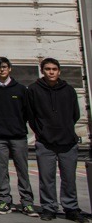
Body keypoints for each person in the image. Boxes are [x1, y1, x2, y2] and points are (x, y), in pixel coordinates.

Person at [27, 58, 88, 223]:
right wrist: (41, 132)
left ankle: (71, 208)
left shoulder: (68, 90)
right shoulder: (33, 90)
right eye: (47, 69)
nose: (51, 72)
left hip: (68, 142)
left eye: (54, 69)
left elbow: (75, 114)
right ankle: (49, 208)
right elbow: (31, 116)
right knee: (47, 178)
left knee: (69, 178)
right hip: (45, 142)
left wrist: (66, 129)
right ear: (43, 71)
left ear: (59, 71)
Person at [0, 57, 37, 217]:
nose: (2, 70)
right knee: (1, 170)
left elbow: (27, 112)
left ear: (10, 69)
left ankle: (27, 203)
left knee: (22, 170)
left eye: (4, 67)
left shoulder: (20, 89)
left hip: (18, 137)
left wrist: (18, 125)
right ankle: (5, 200)